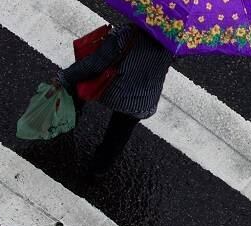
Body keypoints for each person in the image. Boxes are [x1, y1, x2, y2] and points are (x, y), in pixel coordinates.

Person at [51, 23, 174, 177]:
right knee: (117, 137)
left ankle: (68, 119)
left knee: (77, 86)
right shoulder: (174, 46)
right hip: (142, 102)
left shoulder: (126, 35)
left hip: (115, 91)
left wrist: (63, 78)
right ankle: (98, 169)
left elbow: (93, 65)